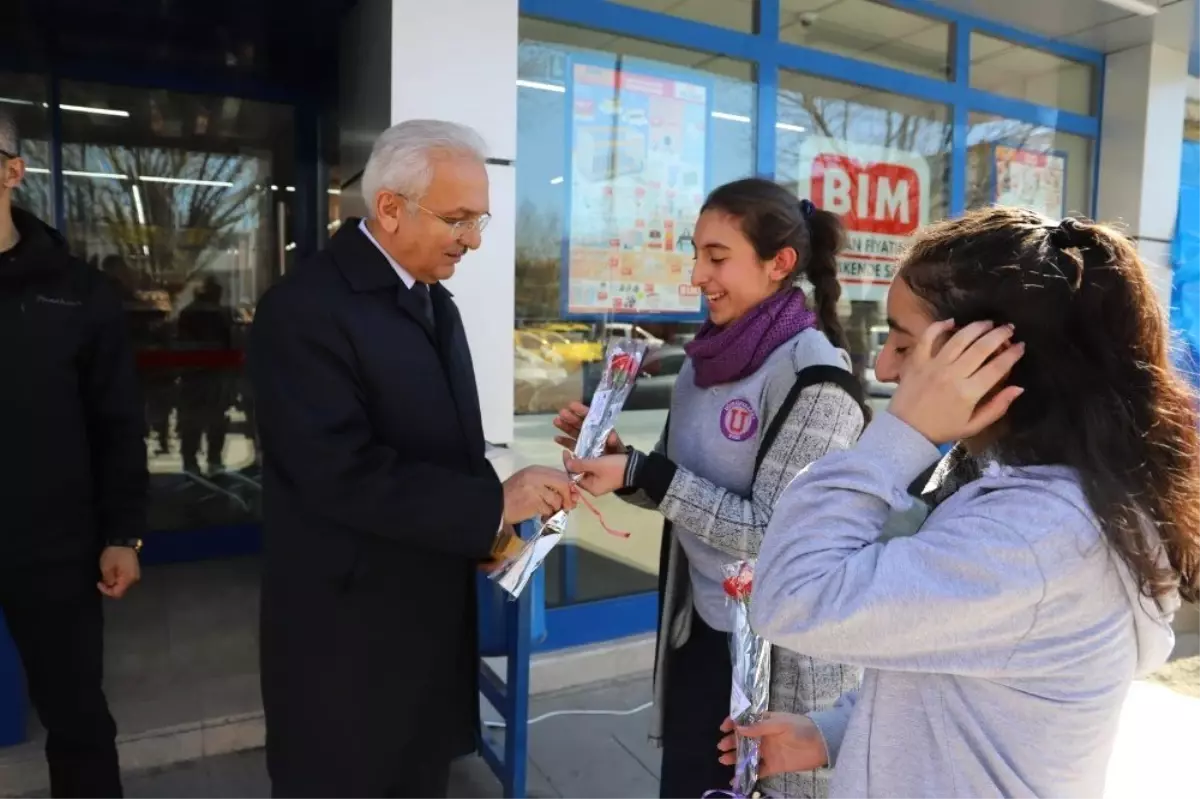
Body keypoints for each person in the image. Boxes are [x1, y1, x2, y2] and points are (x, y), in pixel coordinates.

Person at [733, 207, 1198, 798]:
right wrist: (834, 732)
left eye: (905, 342)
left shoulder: (1034, 536)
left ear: (984, 359)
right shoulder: (1047, 503)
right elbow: (981, 694)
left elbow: (794, 596)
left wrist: (901, 434)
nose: (882, 365)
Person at [249, 119, 578, 799]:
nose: (475, 239)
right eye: (457, 219)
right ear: (390, 208)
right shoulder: (304, 311)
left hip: (425, 621)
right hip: (345, 637)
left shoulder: (433, 299)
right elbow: (338, 473)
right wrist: (494, 501)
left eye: (479, 218)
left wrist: (490, 532)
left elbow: (450, 447)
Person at [557, 178, 866, 799]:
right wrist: (622, 465)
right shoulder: (702, 363)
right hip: (699, 631)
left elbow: (772, 533)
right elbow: (674, 490)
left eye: (717, 257)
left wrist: (648, 473)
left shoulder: (817, 379)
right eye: (694, 254)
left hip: (778, 655)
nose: (697, 275)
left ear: (779, 264)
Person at [0, 110, 147, 798]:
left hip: (52, 547)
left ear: (11, 170)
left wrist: (122, 532)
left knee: (78, 719)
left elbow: (117, 420)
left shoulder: (76, 291)